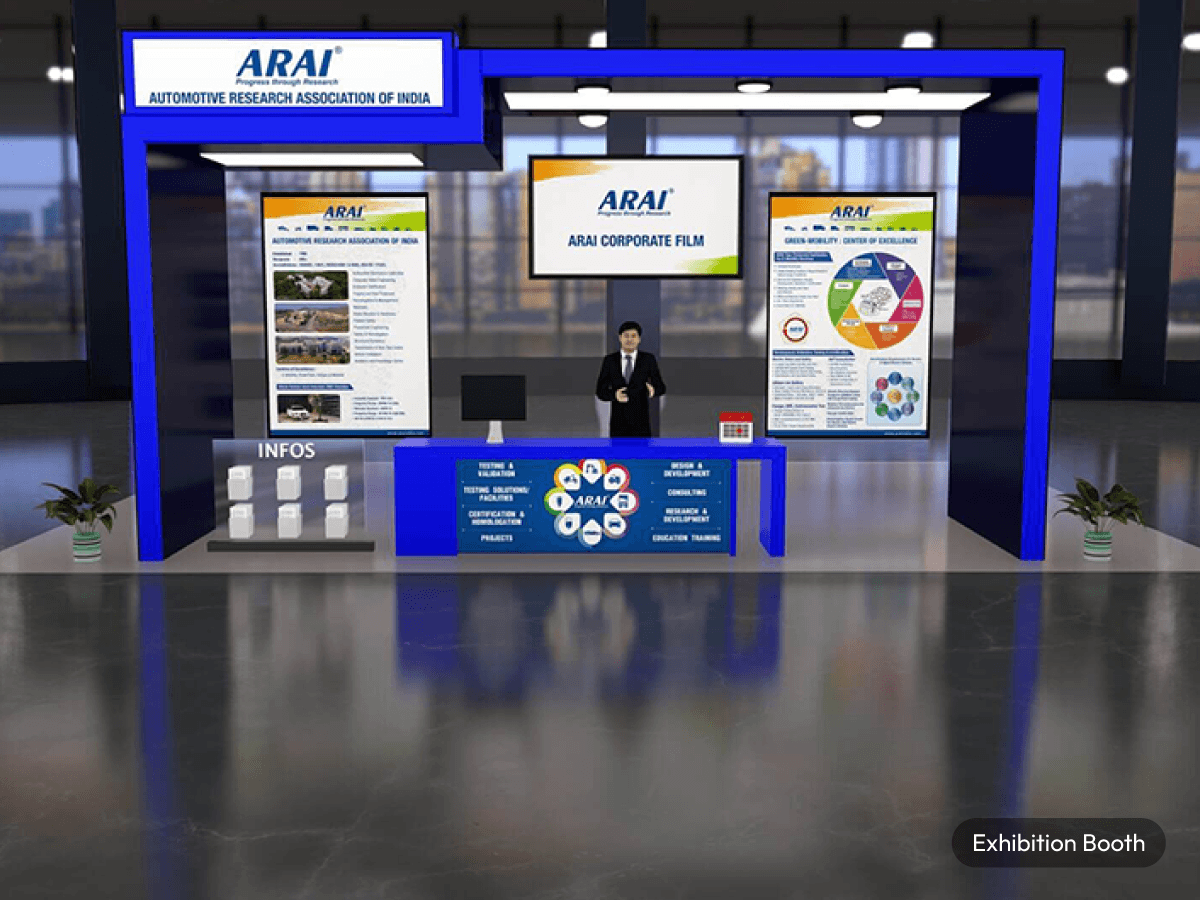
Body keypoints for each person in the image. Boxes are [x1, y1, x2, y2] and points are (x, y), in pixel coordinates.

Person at [595, 320, 667, 438]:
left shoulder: (648, 359)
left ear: (639, 339)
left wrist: (652, 390)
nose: (630, 339)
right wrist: (615, 395)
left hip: (641, 425)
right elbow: (600, 391)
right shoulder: (610, 361)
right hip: (618, 424)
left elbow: (661, 387)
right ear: (620, 338)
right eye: (626, 336)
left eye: (633, 336)